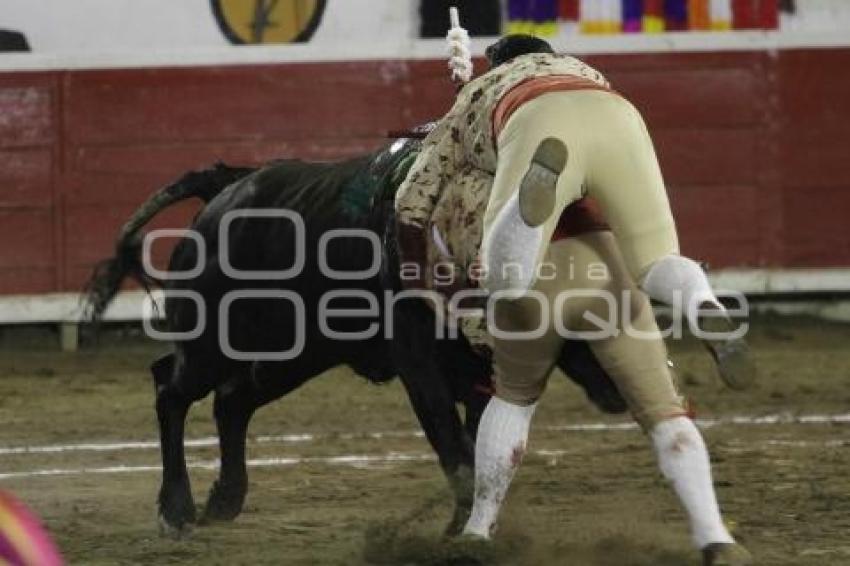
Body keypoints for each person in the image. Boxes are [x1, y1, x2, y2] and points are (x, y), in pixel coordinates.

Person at [394, 34, 754, 565]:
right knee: (665, 387)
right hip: (615, 159)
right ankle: (715, 536)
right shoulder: (584, 71)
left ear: (498, 63)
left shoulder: (477, 94)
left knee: (511, 371)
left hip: (534, 163)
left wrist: (415, 272)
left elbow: (412, 200)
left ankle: (478, 529)